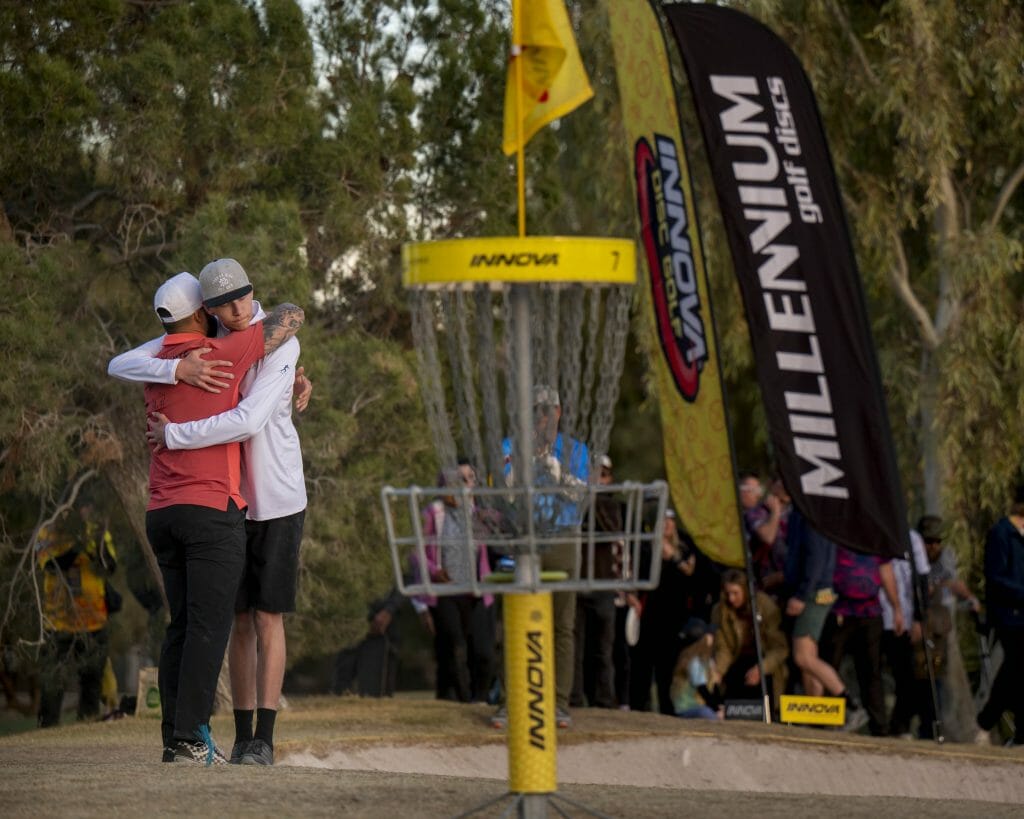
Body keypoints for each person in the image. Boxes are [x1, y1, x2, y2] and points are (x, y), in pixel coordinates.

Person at [111, 259, 311, 766]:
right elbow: (122, 362)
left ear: (251, 292)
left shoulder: (270, 340)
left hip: (276, 496)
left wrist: (173, 434)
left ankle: (260, 737)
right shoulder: (215, 340)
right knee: (231, 621)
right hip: (225, 503)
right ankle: (231, 735)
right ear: (206, 310)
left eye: (243, 299)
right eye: (223, 305)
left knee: (264, 617)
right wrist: (177, 367)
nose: (237, 309)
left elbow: (250, 418)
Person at [494, 385, 588, 729]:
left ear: (558, 412)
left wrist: (554, 469)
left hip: (563, 538)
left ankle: (559, 703)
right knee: (514, 623)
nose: (541, 417)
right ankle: (509, 702)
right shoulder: (509, 445)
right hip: (524, 536)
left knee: (562, 624)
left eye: (547, 410)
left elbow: (580, 494)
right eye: (534, 410)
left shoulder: (576, 450)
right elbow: (502, 492)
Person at [411, 460, 496, 703]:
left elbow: (501, 529)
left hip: (477, 591)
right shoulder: (433, 513)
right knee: (453, 645)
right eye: (459, 479)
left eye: (470, 479)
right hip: (446, 591)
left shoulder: (480, 514)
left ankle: (481, 697)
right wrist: (435, 571)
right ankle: (462, 699)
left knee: (482, 649)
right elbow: (417, 552)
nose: (465, 484)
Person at [35, 496, 117, 727]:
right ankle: (47, 728)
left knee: (92, 681)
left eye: (87, 507)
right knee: (53, 684)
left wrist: (95, 544)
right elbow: (49, 564)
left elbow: (110, 566)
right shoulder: (48, 533)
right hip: (57, 623)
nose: (84, 512)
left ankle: (88, 725)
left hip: (94, 622)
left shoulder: (97, 531)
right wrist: (78, 547)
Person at [783, 506, 866, 729]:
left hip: (813, 593)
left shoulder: (811, 516)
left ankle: (850, 705)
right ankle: (817, 714)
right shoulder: (810, 513)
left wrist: (801, 594)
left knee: (803, 657)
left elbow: (816, 559)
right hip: (816, 590)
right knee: (809, 657)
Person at [629, 508, 713, 715]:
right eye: (662, 521)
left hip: (674, 615)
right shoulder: (646, 546)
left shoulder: (685, 546)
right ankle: (637, 707)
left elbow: (693, 578)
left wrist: (675, 559)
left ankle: (667, 710)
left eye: (670, 521)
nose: (666, 525)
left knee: (666, 666)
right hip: (649, 612)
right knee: (642, 664)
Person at [822, 542, 903, 736]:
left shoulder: (872, 535)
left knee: (871, 671)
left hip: (870, 612)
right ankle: (829, 721)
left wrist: (897, 608)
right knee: (830, 665)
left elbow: (886, 572)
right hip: (838, 610)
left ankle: (879, 727)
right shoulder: (835, 534)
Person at [571, 453, 621, 709]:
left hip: (602, 585)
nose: (596, 480)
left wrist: (595, 501)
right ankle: (574, 698)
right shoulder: (573, 504)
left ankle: (604, 699)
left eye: (602, 475)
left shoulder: (610, 506)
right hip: (577, 583)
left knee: (602, 649)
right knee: (574, 646)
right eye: (592, 474)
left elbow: (612, 532)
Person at [975, 484, 1024, 746]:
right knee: (1016, 665)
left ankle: (1014, 730)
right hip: (1008, 614)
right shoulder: (1002, 533)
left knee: (1017, 671)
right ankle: (986, 720)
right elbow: (995, 578)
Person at [879, 522, 931, 738]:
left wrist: (919, 618)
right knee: (872, 674)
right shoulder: (874, 530)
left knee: (906, 676)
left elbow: (922, 578)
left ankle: (900, 725)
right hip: (873, 613)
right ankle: (881, 726)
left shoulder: (912, 538)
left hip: (902, 619)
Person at [710, 569, 788, 709]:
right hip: (737, 661)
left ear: (745, 590)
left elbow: (780, 648)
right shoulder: (721, 611)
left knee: (765, 682)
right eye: (728, 593)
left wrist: (761, 668)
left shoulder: (764, 605)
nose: (731, 598)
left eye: (735, 593)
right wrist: (718, 671)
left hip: (765, 662)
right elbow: (724, 648)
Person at [740, 473, 790, 602]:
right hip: (766, 588)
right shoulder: (757, 512)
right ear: (771, 484)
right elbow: (767, 537)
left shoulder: (797, 514)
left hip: (792, 582)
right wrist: (775, 513)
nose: (788, 486)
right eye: (782, 482)